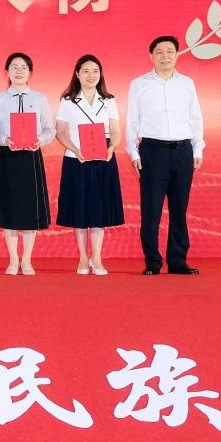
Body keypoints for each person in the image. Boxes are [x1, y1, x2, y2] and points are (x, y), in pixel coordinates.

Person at [127, 35, 206, 275]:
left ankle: (178, 260)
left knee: (179, 209)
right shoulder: (139, 84)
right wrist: (133, 152)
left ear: (177, 55)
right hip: (152, 151)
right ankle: (152, 262)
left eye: (170, 51)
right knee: (151, 210)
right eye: (159, 52)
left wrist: (197, 148)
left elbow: (195, 117)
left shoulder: (187, 83)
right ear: (151, 56)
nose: (165, 56)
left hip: (183, 151)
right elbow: (132, 120)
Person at [54, 55, 124, 276]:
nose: (91, 75)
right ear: (77, 74)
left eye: (95, 71)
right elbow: (60, 132)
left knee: (98, 209)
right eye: (85, 71)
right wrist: (75, 150)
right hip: (76, 159)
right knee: (79, 209)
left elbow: (116, 131)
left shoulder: (109, 100)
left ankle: (97, 258)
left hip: (103, 159)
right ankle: (83, 258)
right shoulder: (67, 101)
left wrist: (112, 147)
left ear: (100, 74)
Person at [0, 52, 54, 275]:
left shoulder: (39, 98)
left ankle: (27, 260)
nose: (18, 71)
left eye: (23, 67)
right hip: (8, 156)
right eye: (14, 67)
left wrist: (40, 140)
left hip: (32, 157)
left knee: (30, 210)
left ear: (30, 73)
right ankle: (13, 260)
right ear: (6, 72)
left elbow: (49, 129)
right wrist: (4, 139)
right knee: (10, 208)